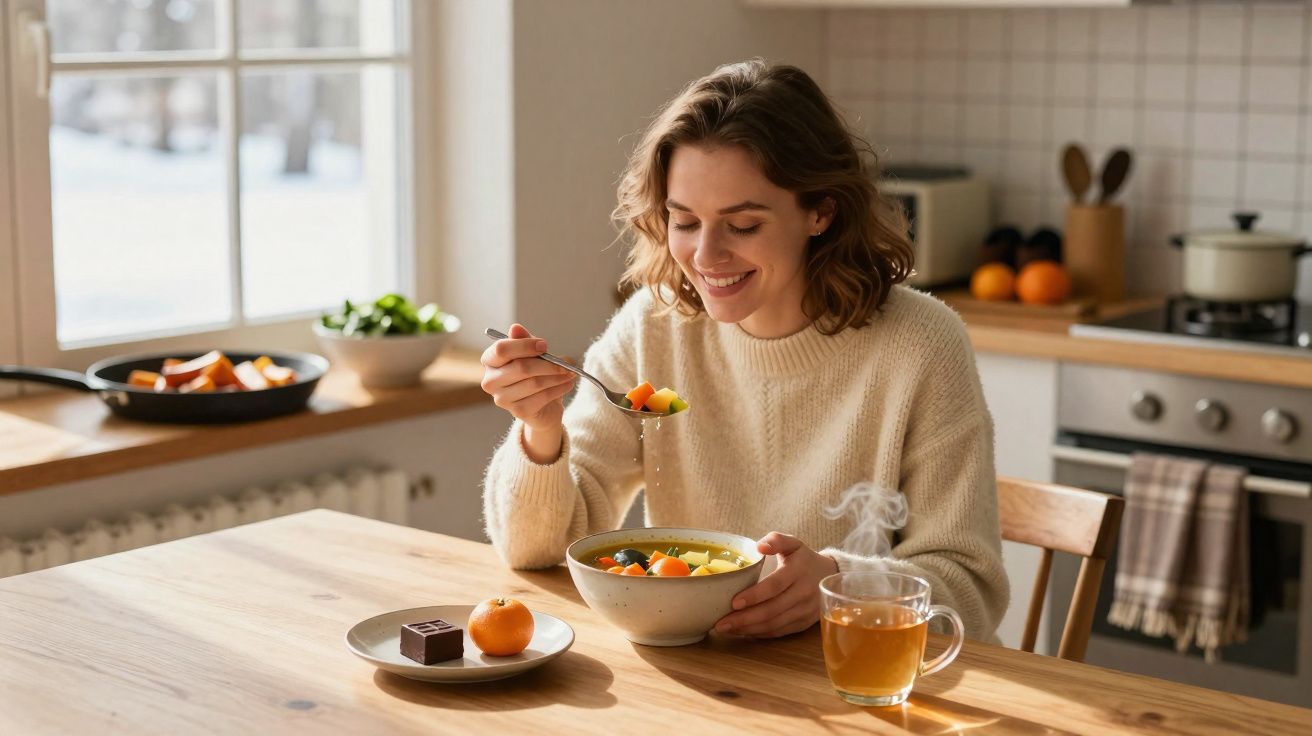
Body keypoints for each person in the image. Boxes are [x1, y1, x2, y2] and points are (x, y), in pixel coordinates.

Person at [480, 59, 1008, 641]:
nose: (706, 256)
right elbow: (537, 551)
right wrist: (541, 432)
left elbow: (970, 593)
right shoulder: (655, 326)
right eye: (684, 222)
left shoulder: (920, 345)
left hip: (862, 685)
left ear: (820, 212)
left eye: (743, 226)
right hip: (710, 680)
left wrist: (839, 584)